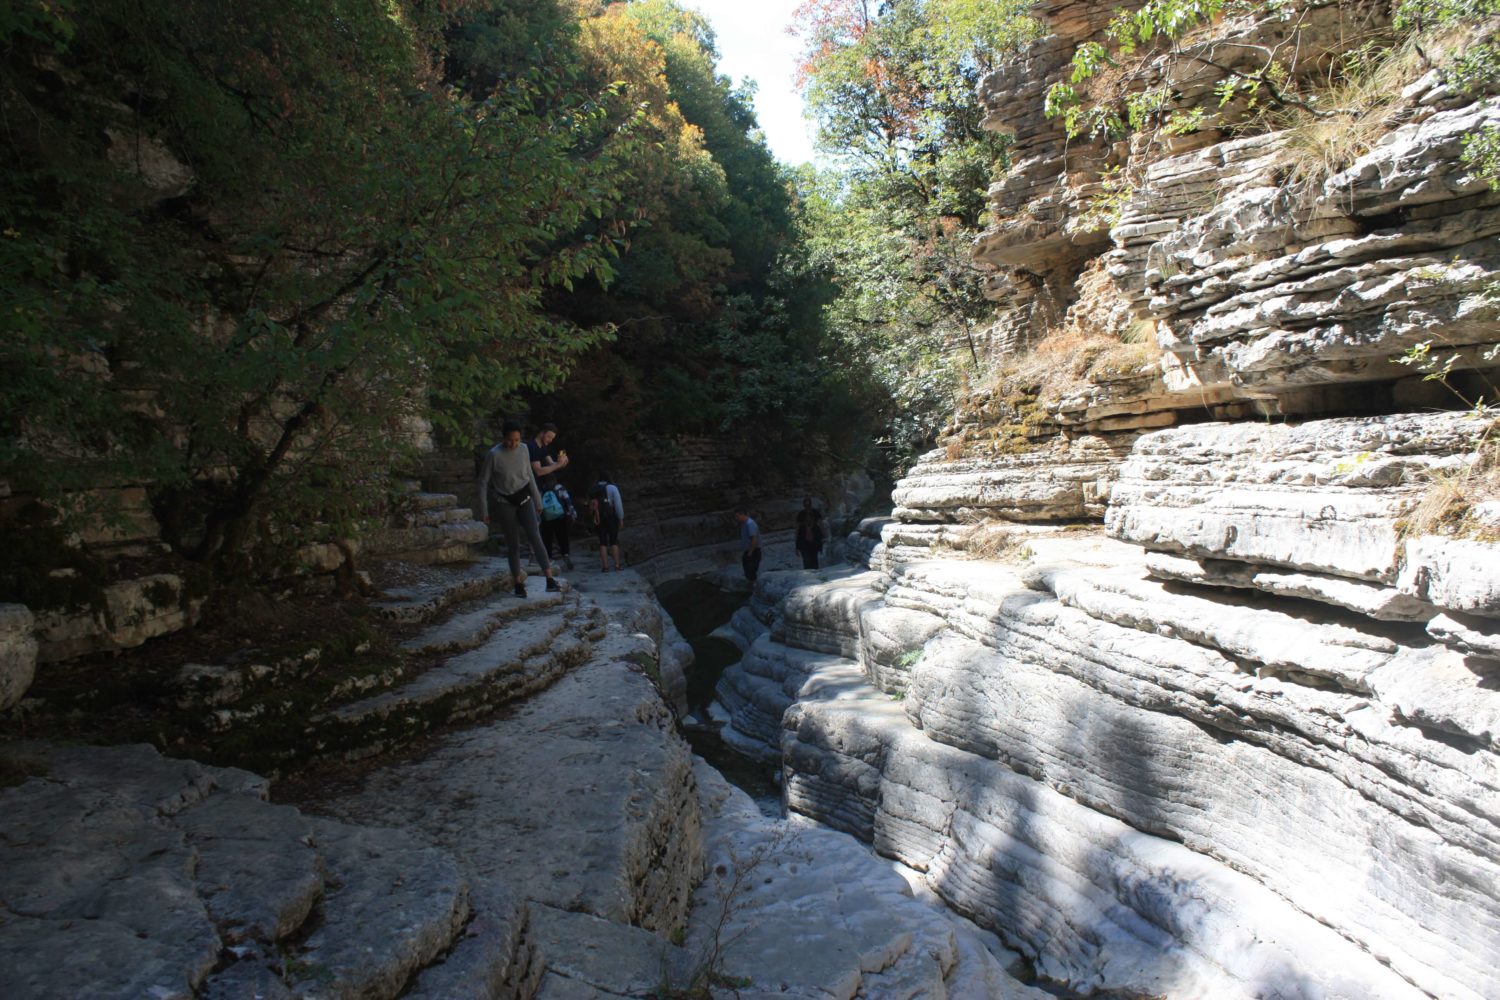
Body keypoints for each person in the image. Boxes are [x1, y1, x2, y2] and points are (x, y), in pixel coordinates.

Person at [477, 419, 561, 597]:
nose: (513, 443)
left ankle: (549, 579)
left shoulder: (524, 449)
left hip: (525, 498)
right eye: (510, 440)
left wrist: (538, 502)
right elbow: (483, 482)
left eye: (516, 439)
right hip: (505, 501)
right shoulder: (494, 455)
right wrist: (484, 510)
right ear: (503, 438)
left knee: (535, 536)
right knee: (513, 544)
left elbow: (530, 475)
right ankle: (518, 583)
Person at [539, 475, 577, 571]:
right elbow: (567, 501)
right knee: (562, 537)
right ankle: (565, 554)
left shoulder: (542, 489)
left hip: (546, 518)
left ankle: (548, 559)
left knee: (547, 539)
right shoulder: (559, 487)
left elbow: (538, 504)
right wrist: (572, 514)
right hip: (560, 517)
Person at [590, 472, 624, 572]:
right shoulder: (612, 488)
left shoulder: (594, 488)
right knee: (614, 541)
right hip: (611, 516)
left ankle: (605, 567)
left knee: (602, 542)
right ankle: (617, 565)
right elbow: (618, 504)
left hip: (598, 517)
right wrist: (621, 518)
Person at [794, 497, 824, 570]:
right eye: (806, 504)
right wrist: (796, 545)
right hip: (804, 542)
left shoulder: (815, 515)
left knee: (814, 559)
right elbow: (797, 529)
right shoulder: (801, 515)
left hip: (814, 542)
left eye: (808, 504)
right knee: (806, 560)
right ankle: (809, 575)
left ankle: (816, 575)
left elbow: (821, 525)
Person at [734, 507, 760, 584]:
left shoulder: (750, 524)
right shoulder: (745, 524)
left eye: (737, 516)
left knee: (751, 571)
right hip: (750, 551)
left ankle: (753, 587)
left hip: (753, 551)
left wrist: (750, 552)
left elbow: (754, 539)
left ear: (742, 514)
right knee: (748, 571)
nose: (736, 518)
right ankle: (751, 586)